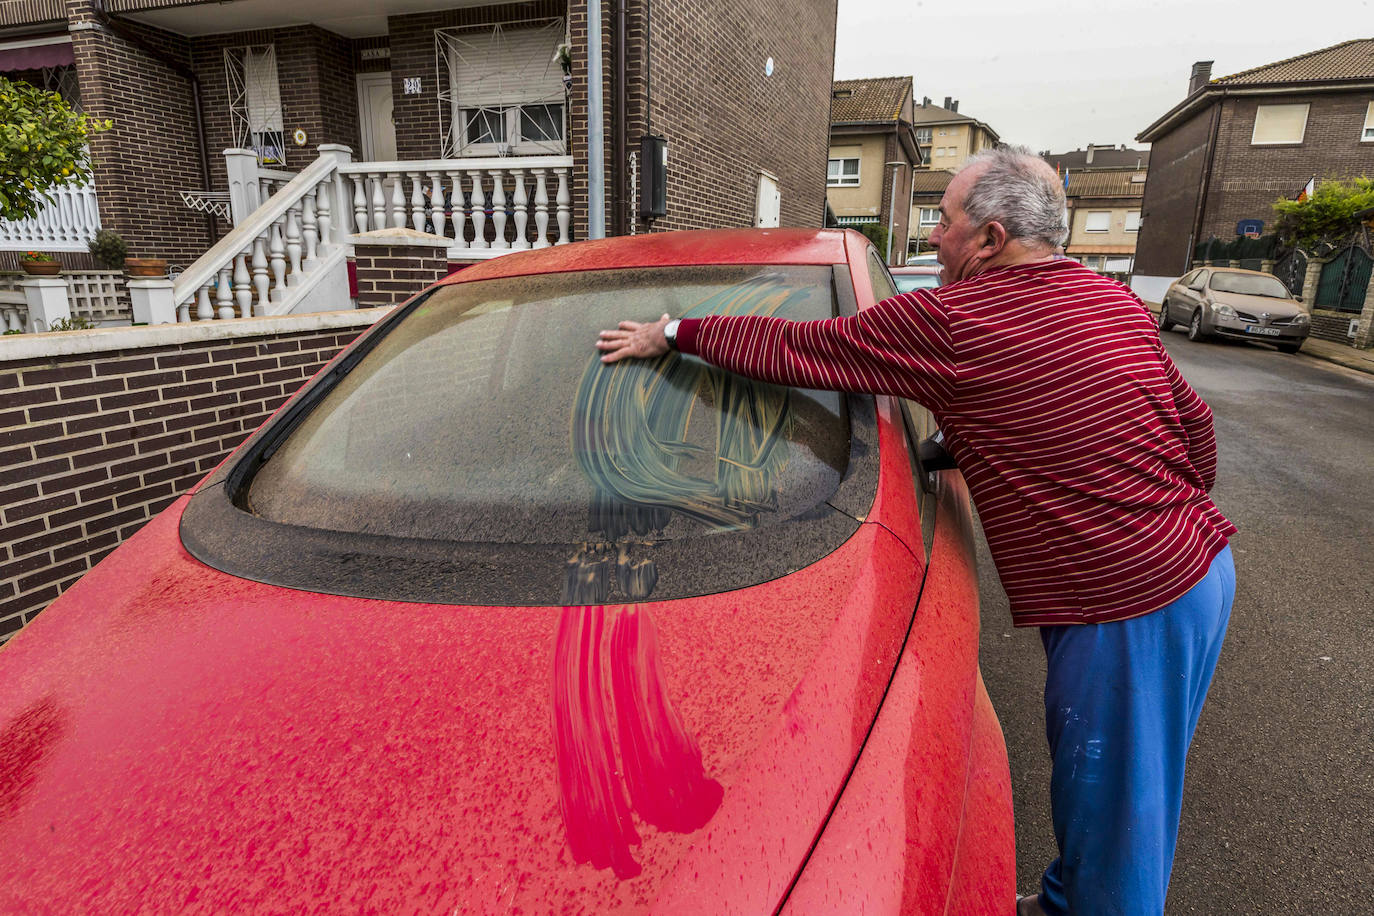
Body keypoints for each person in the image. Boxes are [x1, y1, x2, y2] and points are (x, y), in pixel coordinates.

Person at [595, 146, 1237, 916]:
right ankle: (1070, 898)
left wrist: (674, 333)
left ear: (993, 240)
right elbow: (1194, 431)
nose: (935, 237)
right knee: (1131, 790)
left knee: (1120, 809)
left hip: (1124, 603)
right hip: (1202, 569)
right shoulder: (1107, 300)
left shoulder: (956, 320)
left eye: (948, 222)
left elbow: (803, 350)